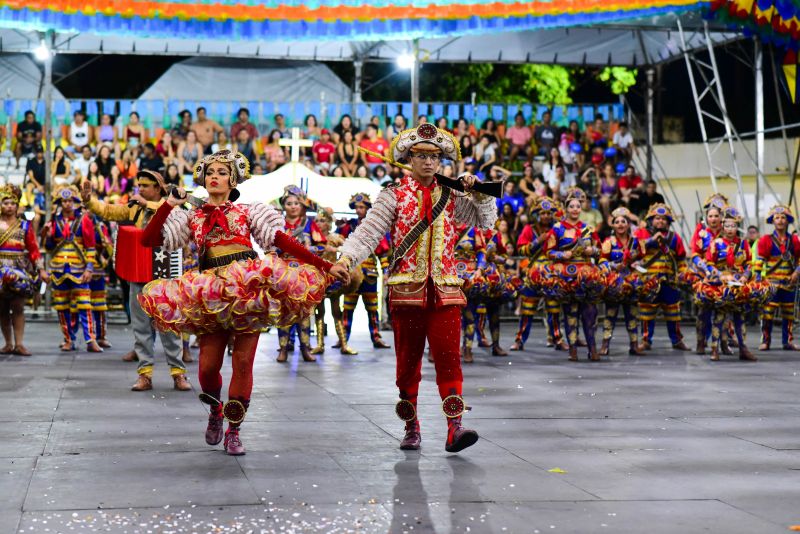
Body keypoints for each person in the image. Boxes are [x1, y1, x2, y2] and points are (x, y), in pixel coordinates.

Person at [140, 150, 342, 455]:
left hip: (248, 289)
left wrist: (324, 266)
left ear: (232, 179)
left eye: (221, 172)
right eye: (210, 172)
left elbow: (282, 241)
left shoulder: (248, 211)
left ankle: (234, 429)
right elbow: (148, 240)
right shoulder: (191, 214)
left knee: (244, 362)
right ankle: (214, 412)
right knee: (208, 368)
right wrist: (169, 204)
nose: (215, 177)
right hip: (209, 291)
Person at [331, 123, 497, 453]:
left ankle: (455, 428)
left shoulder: (452, 194)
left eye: (434, 157)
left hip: (446, 290)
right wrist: (346, 260)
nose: (428, 162)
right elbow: (367, 234)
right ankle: (412, 426)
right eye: (421, 156)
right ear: (409, 158)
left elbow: (487, 221)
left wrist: (478, 192)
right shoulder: (392, 195)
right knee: (407, 364)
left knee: (450, 359)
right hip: (406, 292)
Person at [82, 171, 190, 390]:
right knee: (140, 325)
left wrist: (149, 206)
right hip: (139, 270)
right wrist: (89, 201)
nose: (140, 189)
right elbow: (109, 211)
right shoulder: (135, 207)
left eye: (145, 185)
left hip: (165, 273)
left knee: (169, 325)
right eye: (138, 185)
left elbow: (175, 219)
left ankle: (178, 373)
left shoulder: (173, 206)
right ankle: (145, 374)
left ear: (158, 188)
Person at [542, 188, 603, 361]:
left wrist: (593, 251)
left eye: (578, 206)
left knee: (590, 314)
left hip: (587, 275)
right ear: (566, 209)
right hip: (567, 275)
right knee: (571, 314)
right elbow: (548, 252)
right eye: (572, 206)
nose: (576, 209)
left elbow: (600, 251)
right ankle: (573, 350)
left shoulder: (588, 229)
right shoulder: (558, 229)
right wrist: (562, 255)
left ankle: (593, 349)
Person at [44, 186, 103, 353]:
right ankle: (68, 339)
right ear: (60, 203)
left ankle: (90, 339)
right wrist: (47, 237)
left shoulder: (84, 220)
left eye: (70, 201)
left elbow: (90, 247)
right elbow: (48, 248)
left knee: (85, 304)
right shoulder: (53, 221)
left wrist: (89, 269)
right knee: (62, 307)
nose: (67, 204)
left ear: (75, 202)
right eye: (64, 201)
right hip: (58, 269)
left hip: (79, 268)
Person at [276, 185, 328, 363]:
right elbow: (268, 245)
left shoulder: (309, 224)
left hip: (304, 274)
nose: (292, 206)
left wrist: (308, 249)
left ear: (302, 205)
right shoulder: (277, 224)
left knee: (304, 313)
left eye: (296, 203)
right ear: (283, 205)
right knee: (283, 313)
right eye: (289, 203)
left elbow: (322, 245)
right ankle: (282, 348)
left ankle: (305, 348)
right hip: (283, 273)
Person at [701, 207, 759, 361]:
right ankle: (714, 349)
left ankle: (743, 349)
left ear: (737, 227)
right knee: (719, 316)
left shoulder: (744, 244)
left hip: (739, 283)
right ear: (722, 226)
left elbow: (749, 263)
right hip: (722, 284)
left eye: (733, 226)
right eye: (727, 226)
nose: (730, 229)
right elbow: (709, 263)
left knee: (739, 316)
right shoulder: (716, 243)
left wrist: (745, 276)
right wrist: (720, 275)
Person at [337, 193, 392, 351]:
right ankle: (343, 338)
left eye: (362, 207)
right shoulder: (348, 226)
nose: (359, 210)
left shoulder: (375, 226)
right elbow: (338, 243)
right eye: (357, 207)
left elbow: (383, 253)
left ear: (368, 209)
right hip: (352, 274)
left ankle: (376, 337)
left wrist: (386, 272)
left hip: (369, 274)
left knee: (372, 309)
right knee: (347, 307)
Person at [0, 185, 48, 356]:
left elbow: (34, 250)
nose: (9, 206)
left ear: (17, 205)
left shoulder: (25, 226)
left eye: (12, 203)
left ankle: (19, 344)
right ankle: (8, 343)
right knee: (2, 308)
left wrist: (41, 270)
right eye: (5, 203)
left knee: (18, 306)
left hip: (19, 268)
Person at [635, 203, 690, 351]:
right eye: (657, 218)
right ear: (651, 220)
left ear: (668, 221)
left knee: (673, 311)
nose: (660, 221)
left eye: (664, 219)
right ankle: (646, 340)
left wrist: (683, 273)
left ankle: (677, 340)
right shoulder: (642, 234)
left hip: (669, 281)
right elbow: (632, 251)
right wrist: (649, 242)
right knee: (647, 312)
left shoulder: (674, 237)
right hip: (648, 281)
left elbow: (681, 259)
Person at [514, 197, 567, 351]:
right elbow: (521, 250)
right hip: (533, 273)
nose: (546, 216)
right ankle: (519, 340)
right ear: (537, 214)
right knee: (527, 309)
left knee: (554, 308)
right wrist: (538, 241)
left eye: (548, 213)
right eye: (542, 213)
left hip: (552, 273)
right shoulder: (529, 229)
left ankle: (557, 339)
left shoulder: (557, 229)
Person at [309, 210, 359, 355]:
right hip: (317, 279)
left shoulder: (335, 237)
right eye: (317, 220)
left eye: (323, 220)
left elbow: (349, 248)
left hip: (333, 279)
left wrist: (336, 249)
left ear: (329, 223)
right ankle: (319, 344)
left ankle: (344, 344)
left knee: (336, 311)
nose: (319, 223)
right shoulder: (313, 238)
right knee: (319, 312)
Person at [599, 207, 645, 356]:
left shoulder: (635, 241)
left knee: (632, 314)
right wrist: (613, 265)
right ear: (613, 225)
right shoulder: (609, 242)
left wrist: (638, 264)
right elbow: (601, 261)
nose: (620, 224)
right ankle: (605, 345)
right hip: (614, 282)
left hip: (631, 281)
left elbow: (642, 258)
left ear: (628, 224)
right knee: (610, 313)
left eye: (623, 221)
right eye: (617, 222)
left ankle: (634, 345)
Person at [754, 204, 800, 351]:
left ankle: (788, 341)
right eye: (777, 218)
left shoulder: (794, 240)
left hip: (789, 283)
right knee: (767, 314)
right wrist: (757, 279)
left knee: (789, 314)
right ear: (772, 221)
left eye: (783, 218)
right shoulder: (765, 240)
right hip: (771, 284)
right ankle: (766, 341)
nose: (780, 221)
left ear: (788, 221)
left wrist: (796, 272)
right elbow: (759, 261)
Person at [690, 193, 728, 355]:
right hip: (704, 276)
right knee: (703, 312)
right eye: (710, 216)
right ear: (707, 216)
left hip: (723, 277)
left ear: (721, 217)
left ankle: (722, 344)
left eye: (717, 215)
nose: (713, 219)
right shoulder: (701, 231)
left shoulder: (728, 231)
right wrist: (706, 269)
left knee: (723, 311)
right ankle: (701, 342)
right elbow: (694, 254)